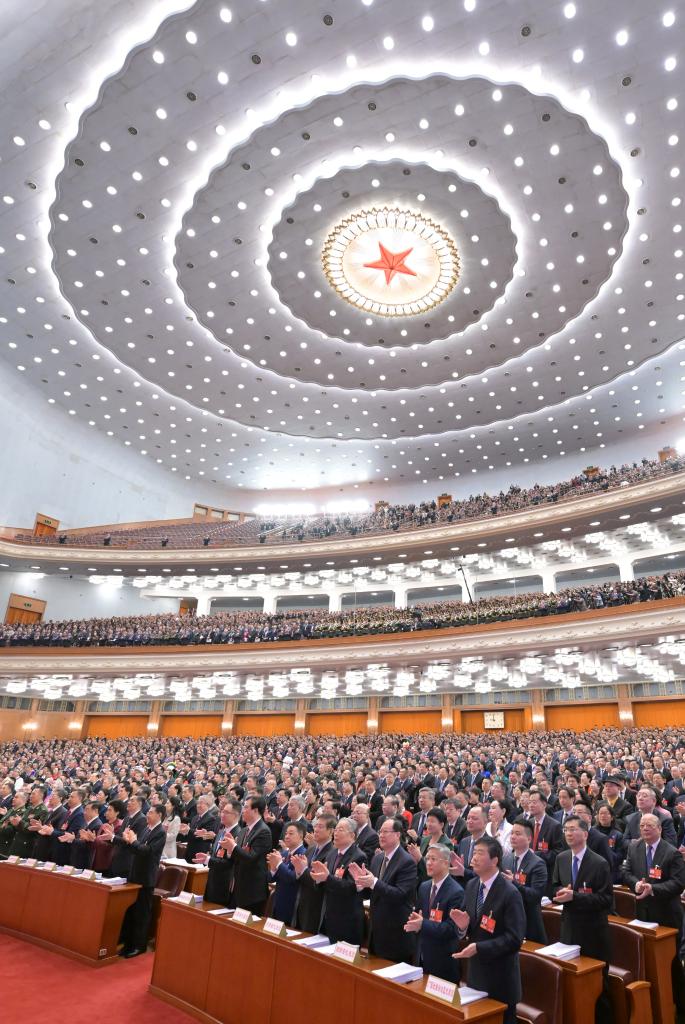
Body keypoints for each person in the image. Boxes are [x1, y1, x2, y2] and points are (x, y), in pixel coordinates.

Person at [449, 836, 526, 1024]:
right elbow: (469, 928)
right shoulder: (472, 885)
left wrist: (480, 947)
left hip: (501, 979)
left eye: (480, 853)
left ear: (494, 860)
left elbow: (515, 939)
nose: (473, 858)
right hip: (476, 974)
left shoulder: (510, 893)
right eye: (474, 853)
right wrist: (462, 928)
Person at [552, 815, 613, 1023]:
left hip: (593, 933)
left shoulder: (599, 863)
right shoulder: (561, 858)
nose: (568, 833)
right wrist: (560, 892)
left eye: (573, 829)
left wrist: (575, 897)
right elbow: (554, 886)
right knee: (572, 980)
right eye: (566, 829)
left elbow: (606, 900)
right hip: (569, 928)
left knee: (598, 985)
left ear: (585, 834)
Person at [622, 813, 685, 1014]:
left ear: (659, 828)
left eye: (649, 825)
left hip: (667, 915)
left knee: (671, 963)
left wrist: (653, 889)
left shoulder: (671, 852)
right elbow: (626, 872)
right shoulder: (634, 847)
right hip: (643, 913)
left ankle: (679, 1003)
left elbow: (678, 883)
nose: (645, 828)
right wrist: (636, 884)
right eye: (642, 825)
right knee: (648, 959)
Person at [350, 817, 418, 963]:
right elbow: (373, 892)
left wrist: (373, 882)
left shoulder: (407, 862)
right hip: (376, 931)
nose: (381, 835)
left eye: (385, 832)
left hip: (396, 933)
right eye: (380, 832)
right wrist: (361, 884)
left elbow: (400, 894)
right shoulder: (377, 858)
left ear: (398, 835)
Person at [404, 844, 464, 981]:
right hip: (421, 958)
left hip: (442, 963)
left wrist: (422, 924)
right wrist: (415, 922)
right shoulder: (424, 887)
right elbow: (419, 917)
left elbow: (451, 929)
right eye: (427, 858)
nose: (428, 863)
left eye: (433, 859)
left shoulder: (456, 892)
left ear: (446, 863)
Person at [118, 802, 167, 958]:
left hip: (146, 878)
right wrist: (128, 841)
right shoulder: (147, 828)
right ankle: (128, 943)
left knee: (142, 914)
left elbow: (147, 851)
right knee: (131, 911)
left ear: (159, 815)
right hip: (135, 874)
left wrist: (134, 841)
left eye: (151, 812)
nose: (148, 814)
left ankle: (139, 946)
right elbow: (137, 849)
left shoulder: (160, 832)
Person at [309, 817, 366, 945]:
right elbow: (325, 883)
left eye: (341, 830)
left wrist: (327, 878)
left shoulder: (358, 856)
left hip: (347, 920)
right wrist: (318, 879)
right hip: (329, 916)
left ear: (352, 835)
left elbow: (351, 887)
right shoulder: (332, 854)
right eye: (335, 829)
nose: (336, 833)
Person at [221, 795, 273, 914]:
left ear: (255, 810)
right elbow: (237, 856)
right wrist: (229, 851)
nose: (242, 811)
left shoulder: (263, 831)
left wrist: (233, 847)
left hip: (252, 891)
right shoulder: (244, 830)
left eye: (245, 807)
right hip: (238, 888)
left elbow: (251, 858)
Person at [501, 817, 547, 942]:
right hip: (508, 920)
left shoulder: (537, 863)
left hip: (529, 922)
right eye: (512, 833)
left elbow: (535, 895)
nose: (513, 837)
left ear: (529, 839)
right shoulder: (506, 859)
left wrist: (514, 883)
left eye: (518, 834)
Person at [291, 813, 335, 932]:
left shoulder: (332, 853)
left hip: (316, 906)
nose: (316, 829)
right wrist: (298, 871)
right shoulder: (310, 848)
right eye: (315, 826)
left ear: (331, 831)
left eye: (320, 827)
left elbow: (318, 882)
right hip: (301, 902)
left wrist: (303, 870)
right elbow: (301, 874)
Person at [195, 799, 242, 906]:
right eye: (222, 811)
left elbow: (230, 863)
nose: (222, 814)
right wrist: (207, 857)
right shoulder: (221, 832)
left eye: (226, 812)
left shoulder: (238, 834)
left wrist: (208, 860)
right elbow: (214, 854)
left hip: (224, 884)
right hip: (212, 881)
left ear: (235, 815)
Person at [267, 820, 308, 923]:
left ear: (301, 836)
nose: (287, 836)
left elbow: (292, 878)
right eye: (286, 833)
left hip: (291, 904)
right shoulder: (284, 853)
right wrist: (273, 868)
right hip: (278, 902)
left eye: (291, 833)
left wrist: (279, 864)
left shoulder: (303, 854)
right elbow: (271, 879)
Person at [528, 790, 565, 891]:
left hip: (546, 874)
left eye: (534, 802)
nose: (531, 805)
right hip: (528, 873)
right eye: (529, 802)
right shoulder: (528, 824)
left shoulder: (555, 826)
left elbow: (558, 852)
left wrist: (535, 854)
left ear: (544, 804)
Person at [181, 795, 220, 863]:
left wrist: (188, 830)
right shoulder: (195, 818)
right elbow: (190, 834)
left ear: (207, 805)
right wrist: (184, 832)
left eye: (201, 803)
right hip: (189, 851)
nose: (198, 805)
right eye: (198, 803)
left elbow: (203, 836)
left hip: (200, 852)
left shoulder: (211, 819)